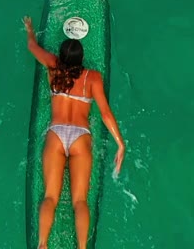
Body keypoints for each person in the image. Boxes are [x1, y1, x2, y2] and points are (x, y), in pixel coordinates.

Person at [23, 16, 126, 249]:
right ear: (81, 58)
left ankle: (42, 244)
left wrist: (30, 30)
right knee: (80, 201)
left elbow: (31, 46)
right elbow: (106, 114)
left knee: (50, 196)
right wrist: (120, 143)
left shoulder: (53, 66)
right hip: (80, 135)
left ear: (61, 56)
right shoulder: (93, 78)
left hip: (57, 133)